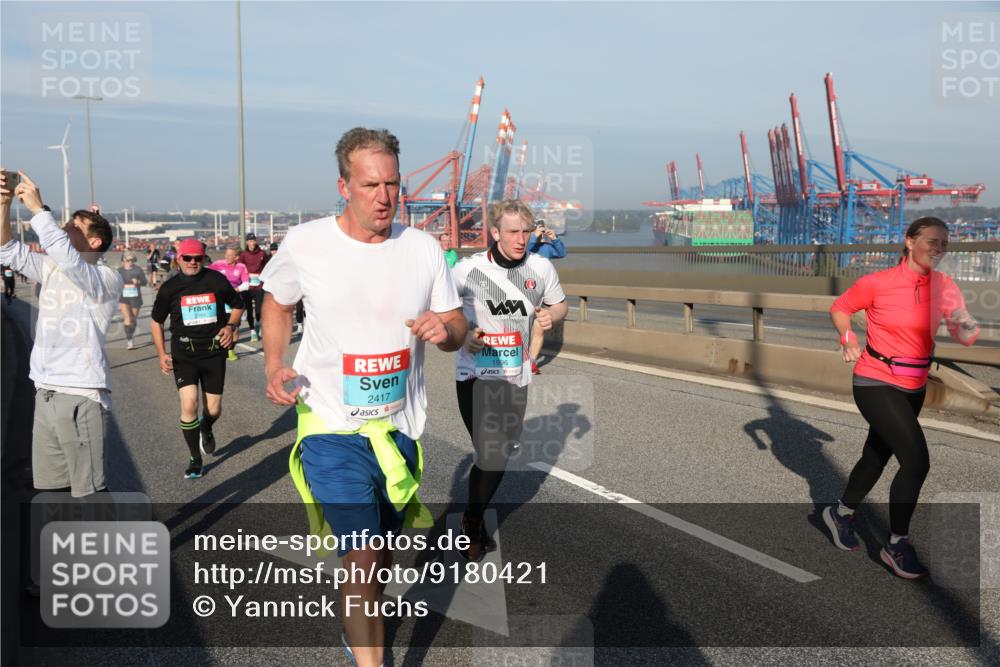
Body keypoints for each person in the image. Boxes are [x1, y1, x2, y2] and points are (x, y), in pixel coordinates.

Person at [261, 127, 466, 667]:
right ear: (344, 185)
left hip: (396, 432)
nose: (384, 196)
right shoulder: (306, 244)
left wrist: (446, 332)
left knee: (380, 561)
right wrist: (275, 361)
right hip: (329, 428)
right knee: (364, 554)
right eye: (370, 184)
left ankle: (358, 631)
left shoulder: (422, 249)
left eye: (392, 184)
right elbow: (279, 304)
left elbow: (457, 324)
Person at [824, 217, 980, 579]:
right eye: (932, 241)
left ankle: (841, 512)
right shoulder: (878, 283)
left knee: (876, 455)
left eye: (945, 244)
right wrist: (847, 339)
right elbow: (841, 307)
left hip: (915, 385)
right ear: (909, 242)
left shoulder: (945, 286)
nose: (939, 250)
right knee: (916, 461)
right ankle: (896, 545)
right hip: (875, 379)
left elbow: (965, 335)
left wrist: (965, 322)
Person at [452, 199, 567, 560]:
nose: (521, 239)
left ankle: (473, 514)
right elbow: (443, 315)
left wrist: (552, 316)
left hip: (516, 376)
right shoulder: (466, 272)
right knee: (491, 452)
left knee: (497, 455)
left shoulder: (540, 267)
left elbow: (559, 303)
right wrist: (463, 333)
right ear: (495, 232)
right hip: (475, 373)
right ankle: (473, 523)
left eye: (526, 232)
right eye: (513, 232)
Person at [0, 169, 123, 498]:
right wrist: (4, 204)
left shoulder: (106, 279)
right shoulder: (52, 267)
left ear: (94, 242)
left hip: (81, 393)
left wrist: (40, 211)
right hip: (44, 391)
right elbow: (7, 250)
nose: (63, 229)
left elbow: (73, 264)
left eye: (72, 227)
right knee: (52, 491)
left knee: (90, 492)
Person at [150, 238, 243, 479]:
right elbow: (156, 321)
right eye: (187, 258)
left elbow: (237, 304)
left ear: (204, 259)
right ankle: (194, 458)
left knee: (213, 409)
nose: (193, 262)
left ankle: (207, 426)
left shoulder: (215, 280)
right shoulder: (170, 288)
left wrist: (231, 326)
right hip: (184, 353)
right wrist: (161, 354)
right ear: (178, 259)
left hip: (213, 353)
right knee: (189, 403)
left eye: (198, 258)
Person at [526, 220, 567, 374]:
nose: (540, 231)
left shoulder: (546, 248)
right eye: (537, 228)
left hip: (542, 291)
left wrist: (554, 238)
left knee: (538, 327)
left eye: (541, 228)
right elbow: (523, 252)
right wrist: (533, 237)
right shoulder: (526, 246)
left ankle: (531, 362)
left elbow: (562, 253)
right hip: (522, 288)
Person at [208, 247, 250, 361]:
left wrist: (233, 291)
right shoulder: (218, 264)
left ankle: (231, 350)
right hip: (220, 300)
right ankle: (218, 348)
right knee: (219, 326)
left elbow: (246, 284)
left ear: (236, 257)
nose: (226, 257)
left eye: (230, 255)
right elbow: (205, 274)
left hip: (234, 301)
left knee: (234, 328)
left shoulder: (241, 267)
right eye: (226, 254)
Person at [238, 233, 269, 342]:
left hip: (259, 286)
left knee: (259, 309)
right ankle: (252, 331)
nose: (252, 243)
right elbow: (240, 268)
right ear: (247, 242)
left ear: (256, 241)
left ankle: (257, 323)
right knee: (249, 309)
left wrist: (263, 278)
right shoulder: (243, 255)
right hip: (247, 286)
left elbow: (267, 266)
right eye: (250, 241)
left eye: (254, 240)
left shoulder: (262, 253)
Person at [117, 253, 147, 349]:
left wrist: (138, 282)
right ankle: (129, 340)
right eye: (128, 260)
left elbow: (145, 282)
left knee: (133, 319)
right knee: (128, 319)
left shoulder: (138, 270)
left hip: (135, 297)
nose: (130, 262)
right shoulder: (119, 271)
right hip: (123, 297)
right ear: (123, 261)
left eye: (132, 260)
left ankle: (131, 334)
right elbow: (114, 284)